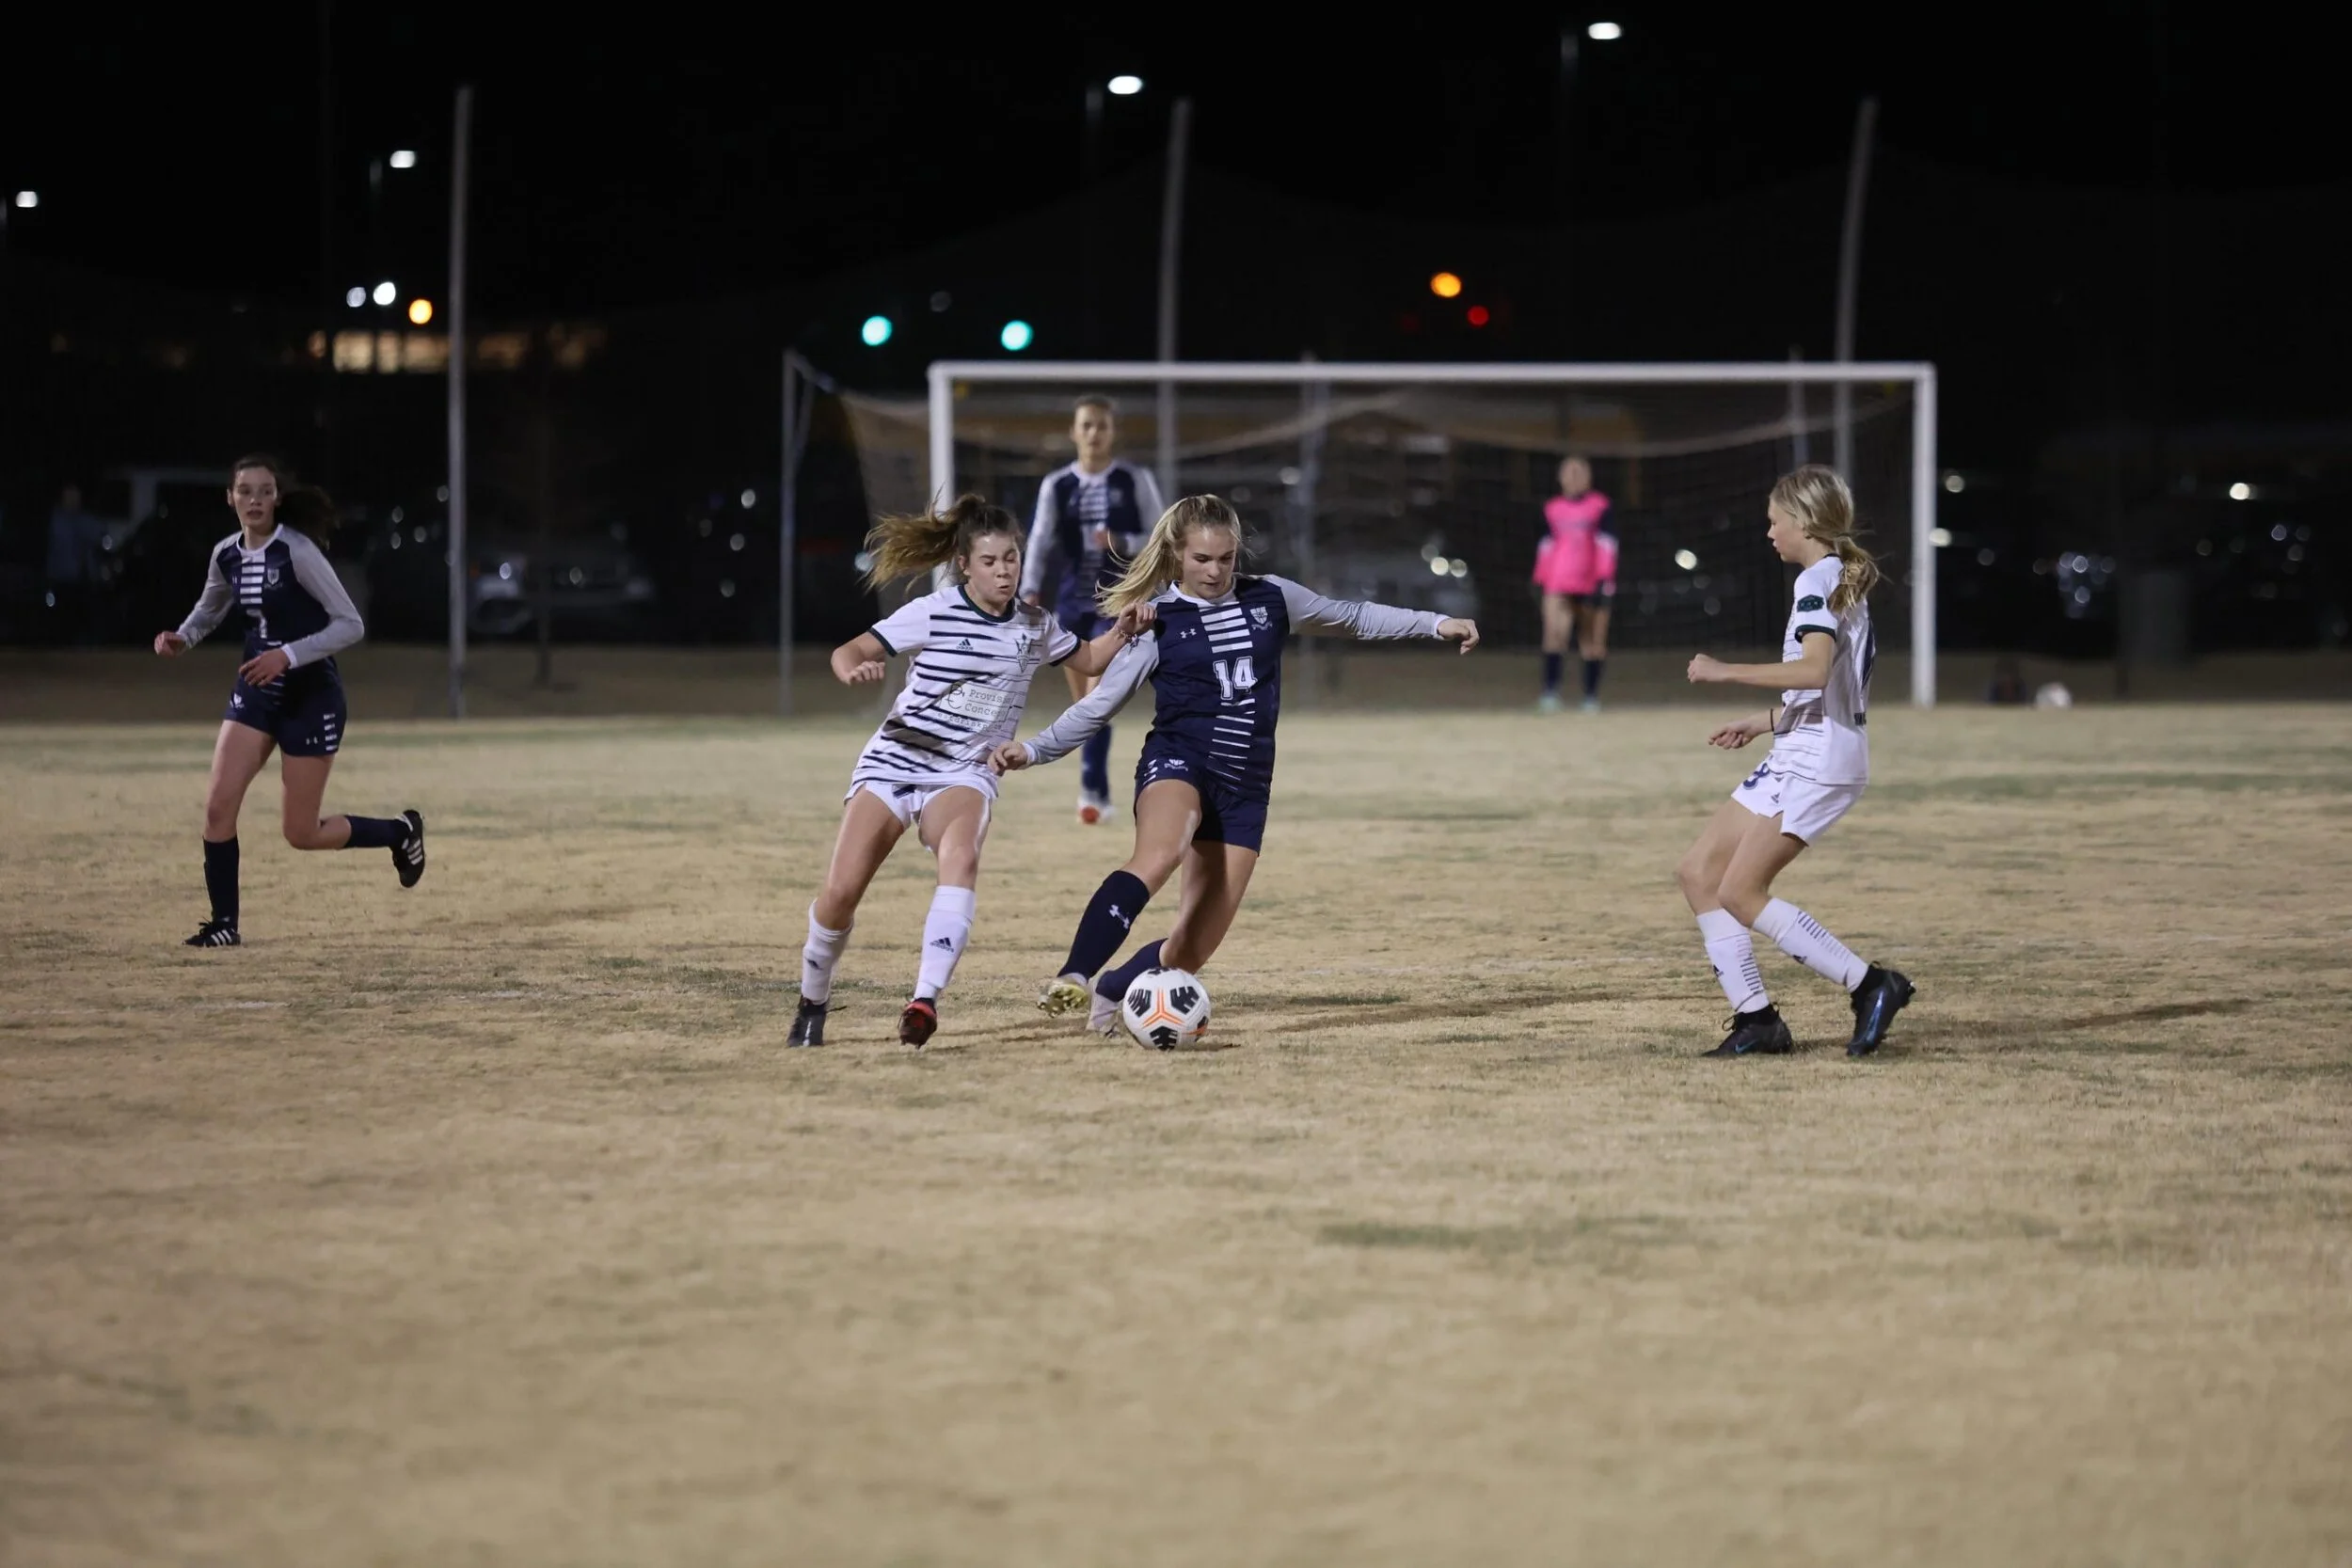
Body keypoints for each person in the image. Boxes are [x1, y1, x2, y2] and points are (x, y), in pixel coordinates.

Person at [993, 496, 1480, 1037]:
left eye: (1225, 558)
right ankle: (1075, 974)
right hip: (1180, 761)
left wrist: (1436, 623)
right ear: (1177, 555)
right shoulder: (1156, 622)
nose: (1215, 571)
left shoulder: (1272, 597)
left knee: (1191, 949)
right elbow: (1098, 706)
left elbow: (1353, 616)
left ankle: (1116, 984)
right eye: (1202, 559)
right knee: (1160, 854)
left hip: (1246, 784)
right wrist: (1034, 750)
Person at [790, 495, 1149, 1050]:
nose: (1004, 571)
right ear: (964, 564)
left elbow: (1091, 659)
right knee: (839, 895)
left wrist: (1123, 628)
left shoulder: (1035, 625)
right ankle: (812, 1003)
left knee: (961, 859)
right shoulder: (932, 611)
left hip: (963, 772)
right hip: (895, 761)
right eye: (990, 561)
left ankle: (924, 1001)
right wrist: (853, 668)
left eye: (1011, 558)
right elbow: (850, 650)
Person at [1674, 464, 1913, 1057]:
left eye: (1774, 520)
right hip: (1801, 748)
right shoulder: (1832, 577)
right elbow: (1829, 689)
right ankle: (1757, 1020)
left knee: (1740, 891)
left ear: (1803, 522)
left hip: (1820, 760)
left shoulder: (1817, 581)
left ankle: (1870, 984)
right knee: (1700, 873)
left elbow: (1813, 671)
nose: (1769, 532)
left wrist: (1724, 671)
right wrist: (1763, 723)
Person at [152, 455, 424, 948]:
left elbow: (350, 624)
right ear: (230, 498)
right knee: (217, 809)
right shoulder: (226, 554)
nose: (255, 500)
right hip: (256, 692)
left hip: (311, 696)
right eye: (245, 491)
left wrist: (288, 655)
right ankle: (224, 925)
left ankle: (399, 832)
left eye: (265, 491)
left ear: (277, 498)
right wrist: (182, 637)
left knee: (301, 833)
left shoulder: (297, 551)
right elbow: (209, 609)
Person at [1019, 394, 1166, 825]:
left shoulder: (1133, 480)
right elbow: (1040, 538)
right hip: (1071, 604)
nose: (1094, 433)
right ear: (1074, 432)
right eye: (1086, 425)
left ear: (1112, 432)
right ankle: (1098, 792)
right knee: (1085, 704)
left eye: (1101, 425)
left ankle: (1089, 791)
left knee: (1097, 694)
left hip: (1116, 603)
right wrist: (1029, 589)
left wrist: (1123, 542)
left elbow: (1161, 534)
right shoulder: (1058, 485)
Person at [1532, 455, 1616, 713]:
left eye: (1580, 471)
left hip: (1591, 583)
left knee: (1592, 642)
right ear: (1560, 477)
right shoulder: (1552, 508)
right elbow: (1546, 545)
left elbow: (1608, 543)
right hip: (1558, 582)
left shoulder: (1600, 506)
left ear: (1589, 477)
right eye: (1569, 471)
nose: (1574, 476)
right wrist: (1539, 578)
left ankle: (1591, 698)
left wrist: (1604, 578)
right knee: (1553, 636)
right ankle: (1550, 694)